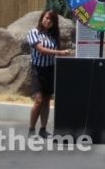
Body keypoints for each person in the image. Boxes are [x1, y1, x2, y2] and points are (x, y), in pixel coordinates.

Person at [27, 9, 70, 137]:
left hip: (50, 70)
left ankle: (43, 129)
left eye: (51, 20)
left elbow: (55, 51)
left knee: (46, 101)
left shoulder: (52, 36)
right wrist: (60, 53)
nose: (48, 21)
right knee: (38, 100)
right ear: (42, 18)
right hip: (37, 70)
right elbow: (41, 50)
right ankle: (31, 130)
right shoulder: (33, 32)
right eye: (46, 18)